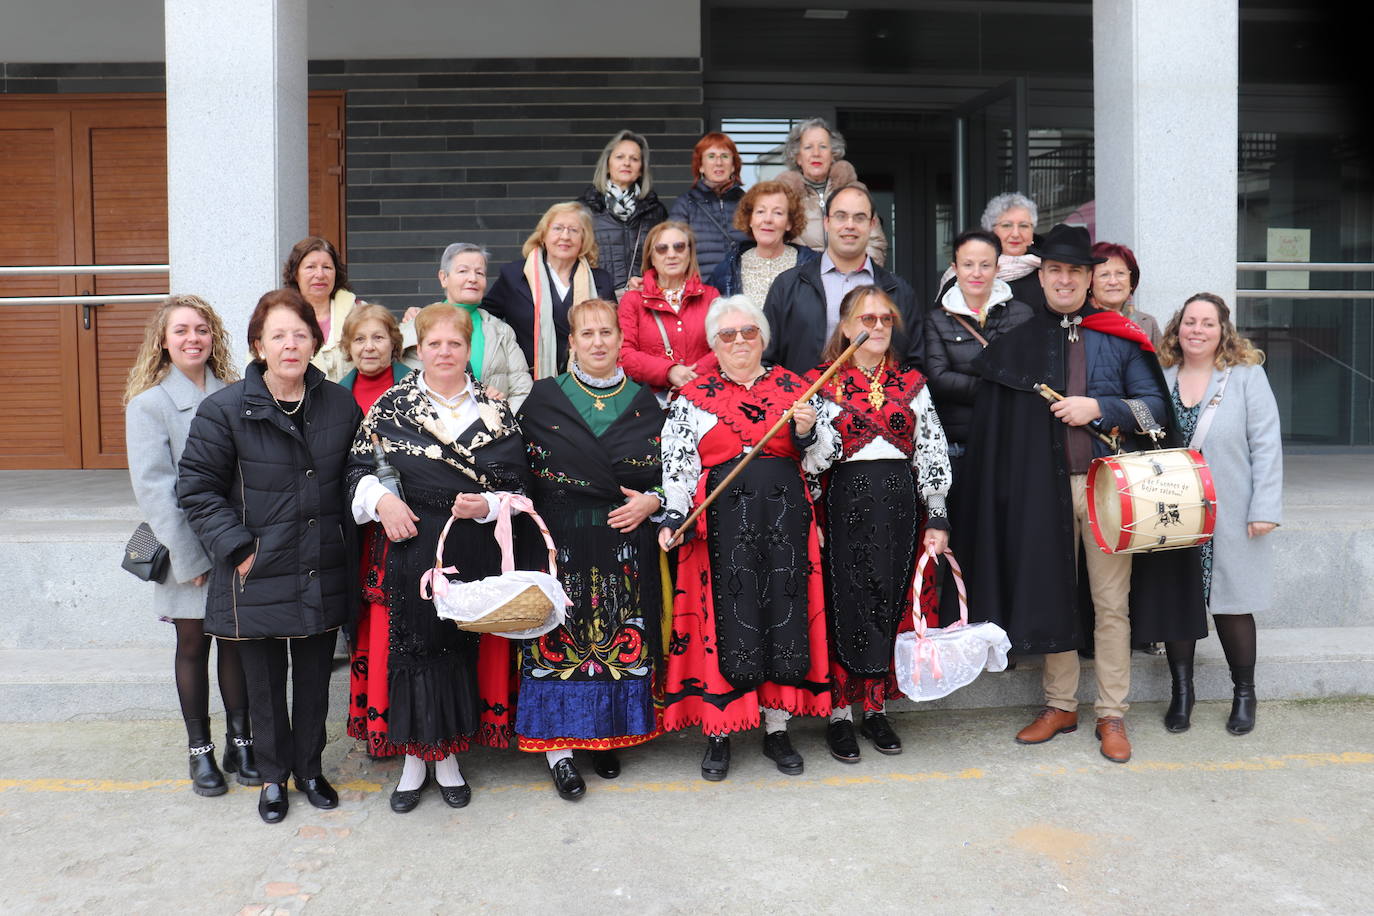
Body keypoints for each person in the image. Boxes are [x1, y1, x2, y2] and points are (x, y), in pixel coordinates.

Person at [956, 224, 1206, 764]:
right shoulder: (1016, 342)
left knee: (1111, 604)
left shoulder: (1119, 338)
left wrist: (1100, 408)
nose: (1064, 280)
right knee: (1052, 594)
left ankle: (1111, 713)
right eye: (1055, 270)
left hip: (1109, 492)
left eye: (1074, 271)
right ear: (1041, 276)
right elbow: (1000, 431)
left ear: (1090, 278)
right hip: (1039, 491)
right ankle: (1060, 705)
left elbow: (1155, 410)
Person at [178, 288, 363, 824]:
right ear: (259, 345)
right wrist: (235, 547)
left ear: (315, 342)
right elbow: (196, 488)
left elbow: (356, 474)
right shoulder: (225, 410)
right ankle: (272, 777)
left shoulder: (338, 403)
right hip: (255, 565)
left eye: (300, 334)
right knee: (262, 684)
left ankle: (309, 769)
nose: (289, 345)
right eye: (277, 335)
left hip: (321, 561)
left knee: (312, 679)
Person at [345, 303, 535, 813]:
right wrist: (382, 502)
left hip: (475, 541)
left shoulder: (496, 410)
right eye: (435, 344)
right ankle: (413, 762)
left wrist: (489, 503)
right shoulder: (391, 406)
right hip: (412, 539)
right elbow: (357, 471)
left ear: (468, 348)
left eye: (455, 343)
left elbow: (520, 487)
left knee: (455, 650)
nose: (445, 352)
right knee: (414, 650)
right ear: (418, 349)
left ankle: (448, 760)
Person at [658, 295, 840, 781]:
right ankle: (719, 733)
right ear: (713, 344)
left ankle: (776, 729)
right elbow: (677, 466)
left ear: (763, 338)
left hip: (785, 524)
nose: (740, 341)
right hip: (719, 528)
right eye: (728, 335)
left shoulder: (798, 389)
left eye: (749, 333)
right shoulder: (692, 398)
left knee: (782, 620)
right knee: (726, 624)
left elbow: (827, 457)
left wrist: (805, 432)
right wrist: (674, 518)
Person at [515, 299, 668, 798]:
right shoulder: (542, 399)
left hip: (625, 543)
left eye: (606, 333)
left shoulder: (647, 403)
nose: (598, 342)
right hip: (559, 542)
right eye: (587, 334)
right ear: (572, 343)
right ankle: (559, 753)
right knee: (557, 643)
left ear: (622, 341)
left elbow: (672, 473)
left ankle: (605, 736)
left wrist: (653, 502)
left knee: (618, 643)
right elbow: (517, 470)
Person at [806, 286, 951, 762]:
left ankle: (877, 709)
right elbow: (811, 461)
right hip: (844, 504)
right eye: (867, 320)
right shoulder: (822, 383)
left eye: (886, 319)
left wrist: (937, 512)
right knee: (844, 602)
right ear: (847, 328)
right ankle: (840, 716)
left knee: (891, 601)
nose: (878, 328)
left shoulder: (911, 382)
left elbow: (930, 447)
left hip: (900, 506)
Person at [124, 295, 257, 796]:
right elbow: (155, 489)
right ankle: (199, 749)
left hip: (235, 542)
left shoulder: (237, 393)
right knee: (192, 645)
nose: (192, 339)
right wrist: (189, 557)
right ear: (164, 341)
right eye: (181, 331)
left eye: (201, 329)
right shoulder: (149, 405)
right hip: (187, 551)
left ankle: (239, 740)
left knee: (237, 644)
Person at [1159, 294, 1282, 735]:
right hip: (1174, 509)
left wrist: (1264, 507)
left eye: (1207, 323)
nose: (1197, 330)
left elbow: (1266, 444)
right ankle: (1182, 693)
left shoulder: (1246, 377)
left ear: (1222, 330)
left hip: (1231, 508)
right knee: (1178, 599)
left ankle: (1244, 693)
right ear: (1177, 328)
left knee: (1233, 604)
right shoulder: (1163, 375)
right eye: (1189, 321)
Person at [336, 303, 412, 762]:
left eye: (378, 337)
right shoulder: (334, 394)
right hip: (357, 529)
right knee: (366, 625)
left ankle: (414, 718)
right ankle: (377, 719)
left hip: (407, 524)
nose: (369, 346)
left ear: (393, 343)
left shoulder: (413, 387)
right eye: (360, 339)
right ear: (348, 347)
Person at [763, 184, 923, 374]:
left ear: (872, 225)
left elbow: (914, 365)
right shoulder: (787, 286)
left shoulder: (898, 291)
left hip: (877, 401)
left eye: (859, 217)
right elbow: (767, 360)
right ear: (826, 222)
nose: (850, 225)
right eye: (840, 216)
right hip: (804, 401)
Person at [923, 230, 1035, 478]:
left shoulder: (1022, 315)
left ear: (997, 268)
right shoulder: (936, 319)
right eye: (967, 264)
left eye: (985, 265)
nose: (976, 273)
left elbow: (1027, 374)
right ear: (954, 268)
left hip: (1010, 442)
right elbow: (938, 378)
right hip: (958, 444)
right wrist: (998, 386)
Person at [483, 202, 616, 380]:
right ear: (543, 235)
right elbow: (486, 320)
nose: (565, 236)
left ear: (584, 239)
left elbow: (614, 331)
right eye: (558, 228)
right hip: (528, 383)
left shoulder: (601, 280)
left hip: (588, 383)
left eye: (574, 230)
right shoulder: (514, 275)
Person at [406, 243, 533, 408]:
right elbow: (409, 387)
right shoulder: (418, 324)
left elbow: (522, 390)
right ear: (444, 278)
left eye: (480, 273)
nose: (473, 278)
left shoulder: (501, 331)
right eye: (463, 271)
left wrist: (500, 422)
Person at [617, 221, 720, 396]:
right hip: (652, 403)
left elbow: (723, 346)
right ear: (651, 256)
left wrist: (690, 377)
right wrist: (669, 371)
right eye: (662, 249)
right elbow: (623, 354)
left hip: (704, 397)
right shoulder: (633, 300)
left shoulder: (710, 296)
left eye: (679, 247)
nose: (671, 254)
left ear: (689, 253)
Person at [775, 117, 887, 266]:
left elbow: (875, 243)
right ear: (798, 157)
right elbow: (775, 247)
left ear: (833, 154)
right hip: (802, 283)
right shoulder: (783, 196)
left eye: (823, 146)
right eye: (808, 147)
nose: (816, 153)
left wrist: (857, 277)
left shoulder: (856, 191)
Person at [576, 130, 668, 296]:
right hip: (598, 302)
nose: (627, 163)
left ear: (641, 169)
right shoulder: (585, 208)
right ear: (608, 165)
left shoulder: (655, 210)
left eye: (634, 159)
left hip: (645, 299)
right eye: (620, 157)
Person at [707, 179, 819, 300]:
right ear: (750, 219)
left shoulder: (811, 266)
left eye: (778, 213)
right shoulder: (728, 268)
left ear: (789, 223)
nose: (768, 219)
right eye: (760, 211)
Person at [667, 132, 747, 281]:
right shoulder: (685, 204)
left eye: (725, 156)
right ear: (701, 166)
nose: (718, 162)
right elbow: (671, 250)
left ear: (733, 166)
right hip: (701, 293)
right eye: (711, 156)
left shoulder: (748, 202)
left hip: (743, 293)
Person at [282, 237, 357, 382]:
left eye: (327, 267)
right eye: (311, 267)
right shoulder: (277, 317)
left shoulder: (358, 312)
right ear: (296, 273)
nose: (320, 275)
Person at [977, 192, 1045, 309]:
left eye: (1023, 226)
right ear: (991, 230)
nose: (1015, 234)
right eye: (1006, 225)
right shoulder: (971, 270)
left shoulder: (1047, 270)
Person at [1089, 241, 1162, 348]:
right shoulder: (1078, 322)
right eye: (1104, 275)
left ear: (1131, 281)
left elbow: (1163, 362)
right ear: (1089, 282)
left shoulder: (1147, 323)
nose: (1113, 282)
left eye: (1120, 273)